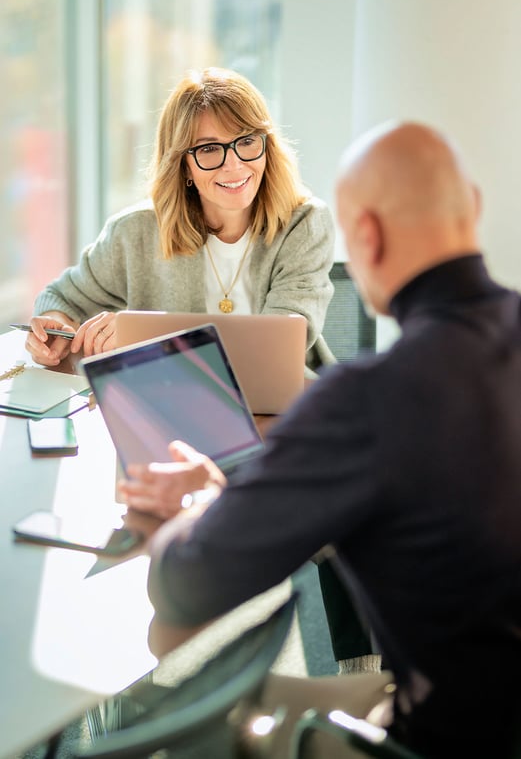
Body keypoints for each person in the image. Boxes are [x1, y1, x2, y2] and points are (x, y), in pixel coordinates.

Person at [121, 120, 521, 758]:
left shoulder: (371, 398)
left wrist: (192, 511)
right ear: (471, 207)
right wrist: (231, 487)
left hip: (449, 737)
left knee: (201, 715)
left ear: (365, 233)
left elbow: (186, 584)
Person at [25, 66, 335, 373]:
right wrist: (55, 329)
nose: (234, 165)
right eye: (210, 149)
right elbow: (60, 298)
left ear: (268, 146)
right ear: (183, 165)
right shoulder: (135, 233)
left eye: (247, 141)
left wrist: (140, 334)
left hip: (280, 410)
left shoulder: (305, 225)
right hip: (172, 404)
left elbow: (278, 343)